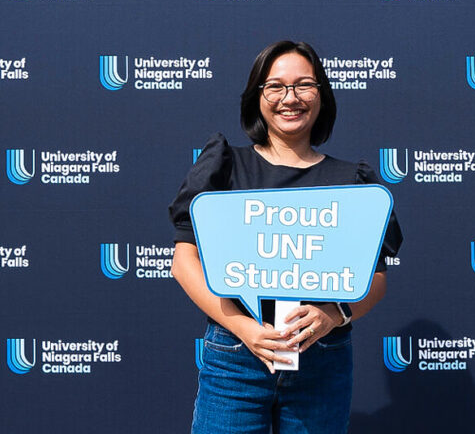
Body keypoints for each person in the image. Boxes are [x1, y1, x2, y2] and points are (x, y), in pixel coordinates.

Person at [169, 41, 402, 434]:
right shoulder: (226, 167)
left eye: (303, 85)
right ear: (257, 97)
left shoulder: (351, 182)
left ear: (321, 96)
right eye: (275, 86)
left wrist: (333, 315)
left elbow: (374, 278)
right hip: (235, 359)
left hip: (322, 361)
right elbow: (183, 261)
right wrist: (246, 330)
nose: (289, 98)